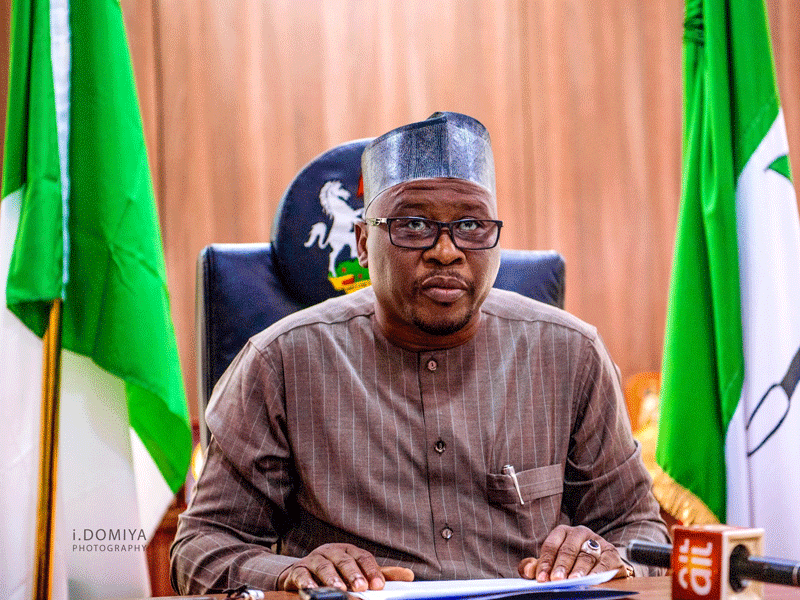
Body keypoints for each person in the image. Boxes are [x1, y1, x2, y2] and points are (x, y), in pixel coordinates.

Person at [170, 112, 669, 595]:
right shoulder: (280, 363)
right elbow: (200, 550)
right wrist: (289, 573)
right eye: (412, 225)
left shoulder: (571, 354)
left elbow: (639, 531)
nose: (446, 251)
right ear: (363, 243)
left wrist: (608, 557)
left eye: (471, 225)